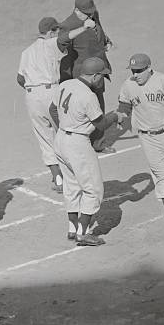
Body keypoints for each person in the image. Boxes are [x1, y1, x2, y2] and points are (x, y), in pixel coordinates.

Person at [50, 57, 127, 246]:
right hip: (78, 144)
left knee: (71, 185)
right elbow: (100, 124)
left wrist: (66, 125)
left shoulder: (66, 84)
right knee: (93, 190)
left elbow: (52, 110)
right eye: (102, 77)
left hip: (60, 140)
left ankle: (72, 228)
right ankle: (82, 234)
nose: (102, 81)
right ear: (94, 76)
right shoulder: (88, 95)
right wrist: (115, 115)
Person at [17, 16, 96, 193]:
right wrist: (85, 26)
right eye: (57, 29)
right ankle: (74, 174)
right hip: (50, 92)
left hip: (31, 96)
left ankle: (58, 178)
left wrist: (34, 90)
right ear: (51, 31)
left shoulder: (26, 51)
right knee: (65, 132)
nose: (59, 32)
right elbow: (65, 38)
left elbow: (20, 79)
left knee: (44, 137)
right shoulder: (51, 43)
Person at [117, 53, 164, 234]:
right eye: (133, 71)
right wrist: (121, 116)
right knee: (162, 174)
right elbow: (124, 105)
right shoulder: (128, 85)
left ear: (149, 68)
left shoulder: (162, 80)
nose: (136, 74)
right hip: (148, 138)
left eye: (140, 71)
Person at [59, 0, 115, 153]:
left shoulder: (92, 15)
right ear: (76, 9)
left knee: (99, 105)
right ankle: (82, 142)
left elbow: (98, 31)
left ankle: (99, 143)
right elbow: (63, 52)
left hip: (98, 69)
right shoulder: (67, 25)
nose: (90, 15)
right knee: (83, 109)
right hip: (80, 74)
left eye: (91, 12)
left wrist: (105, 40)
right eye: (86, 13)